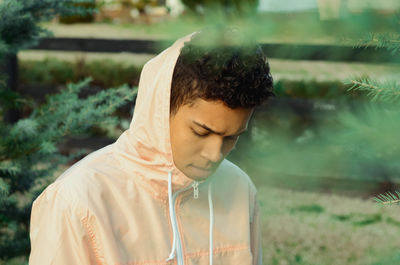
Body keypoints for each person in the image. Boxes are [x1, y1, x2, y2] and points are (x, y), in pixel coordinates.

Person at [29, 29, 274, 265]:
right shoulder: (77, 202)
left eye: (231, 137)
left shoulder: (240, 191)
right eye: (201, 132)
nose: (215, 154)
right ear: (160, 109)